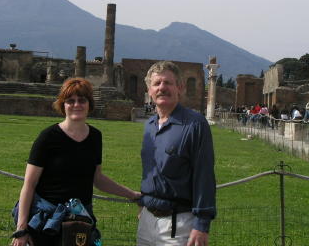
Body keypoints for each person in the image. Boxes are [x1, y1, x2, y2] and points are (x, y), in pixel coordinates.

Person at [12, 77, 140, 246]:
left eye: (82, 100)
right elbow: (29, 185)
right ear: (63, 105)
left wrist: (133, 195)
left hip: (80, 220)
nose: (76, 105)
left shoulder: (95, 136)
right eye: (70, 101)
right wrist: (21, 229)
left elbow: (98, 178)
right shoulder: (48, 137)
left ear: (89, 104)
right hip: (47, 222)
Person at [137, 61, 216, 246]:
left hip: (179, 224)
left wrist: (201, 224)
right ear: (149, 90)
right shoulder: (149, 126)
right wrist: (144, 203)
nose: (162, 88)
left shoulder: (195, 125)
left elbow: (204, 175)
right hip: (147, 220)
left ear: (179, 87)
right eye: (156, 84)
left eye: (168, 83)